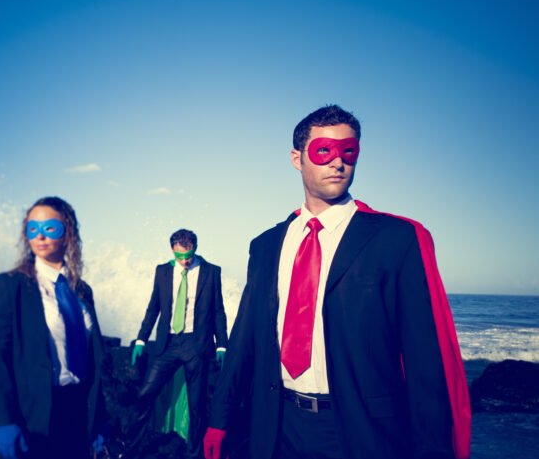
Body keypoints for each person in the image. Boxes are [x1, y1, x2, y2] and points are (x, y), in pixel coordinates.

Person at [204, 105, 471, 459]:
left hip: (362, 433)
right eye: (324, 151)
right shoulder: (266, 245)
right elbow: (244, 339)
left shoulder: (398, 238)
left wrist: (435, 450)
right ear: (297, 158)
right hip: (276, 424)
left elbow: (425, 360)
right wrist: (219, 418)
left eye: (349, 152)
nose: (338, 162)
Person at [0, 196, 105, 459]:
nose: (40, 236)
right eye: (32, 228)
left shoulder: (82, 291)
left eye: (50, 227)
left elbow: (93, 360)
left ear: (68, 234)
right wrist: (4, 420)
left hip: (77, 411)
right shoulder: (11, 285)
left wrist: (99, 417)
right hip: (33, 412)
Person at [129, 229, 228, 459]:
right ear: (172, 250)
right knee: (145, 394)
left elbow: (218, 311)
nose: (184, 261)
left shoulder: (211, 272)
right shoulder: (162, 271)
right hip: (168, 344)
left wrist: (222, 344)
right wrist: (142, 338)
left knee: (197, 405)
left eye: (188, 256)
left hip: (197, 345)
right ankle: (130, 446)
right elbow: (153, 306)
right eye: (179, 256)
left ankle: (194, 453)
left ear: (195, 248)